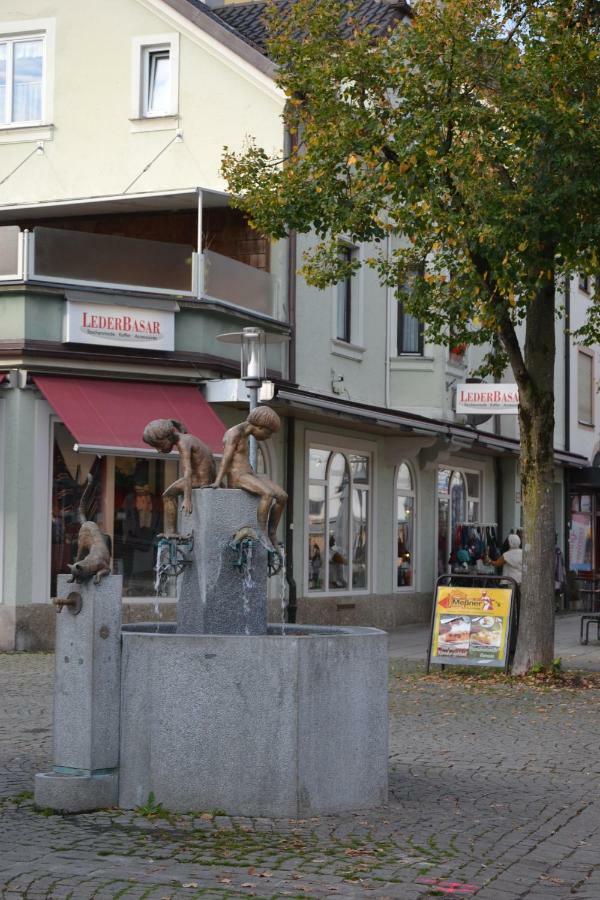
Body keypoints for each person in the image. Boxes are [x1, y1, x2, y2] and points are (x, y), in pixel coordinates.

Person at [208, 406, 287, 551]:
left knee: (282, 496)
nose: (268, 437)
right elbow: (226, 459)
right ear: (259, 426)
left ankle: (271, 532)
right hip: (238, 477)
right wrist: (218, 481)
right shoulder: (234, 433)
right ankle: (261, 532)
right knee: (267, 494)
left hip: (249, 474)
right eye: (268, 433)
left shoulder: (245, 434)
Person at [142, 418, 216, 535]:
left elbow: (187, 471)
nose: (158, 450)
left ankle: (172, 532)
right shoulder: (187, 438)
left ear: (167, 438)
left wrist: (187, 498)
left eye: (158, 445)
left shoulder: (183, 443)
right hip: (205, 479)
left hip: (201, 481)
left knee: (167, 495)